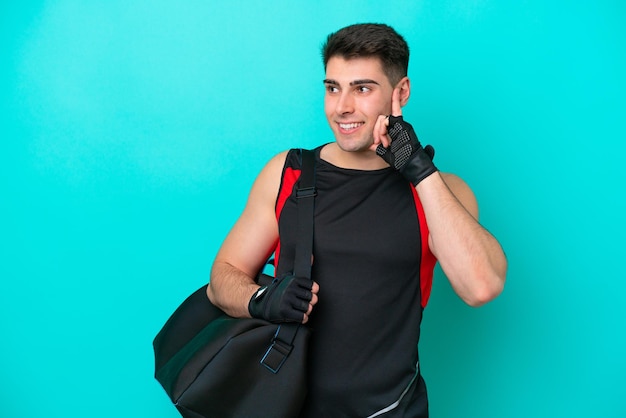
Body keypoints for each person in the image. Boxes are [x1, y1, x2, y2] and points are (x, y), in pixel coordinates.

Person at [207, 23, 507, 417]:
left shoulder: (442, 192)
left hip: (391, 410)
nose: (342, 107)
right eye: (333, 88)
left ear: (401, 93)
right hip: (286, 407)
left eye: (362, 89)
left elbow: (481, 286)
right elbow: (220, 281)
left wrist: (419, 171)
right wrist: (260, 299)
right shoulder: (288, 174)